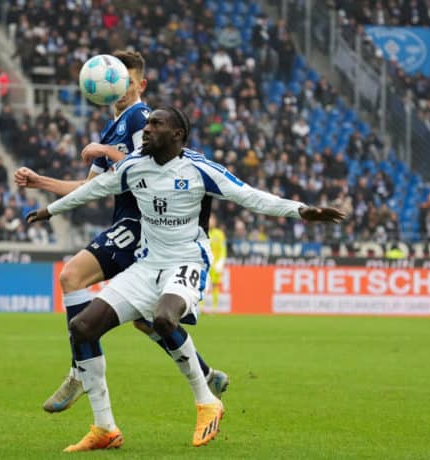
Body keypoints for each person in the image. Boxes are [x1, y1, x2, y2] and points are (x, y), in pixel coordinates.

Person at [25, 107, 347, 451]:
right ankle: (105, 428)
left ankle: (207, 400)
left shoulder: (200, 169)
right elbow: (95, 189)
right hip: (147, 265)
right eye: (146, 124)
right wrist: (49, 210)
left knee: (164, 318)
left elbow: (250, 196)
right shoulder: (134, 166)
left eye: (156, 125)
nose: (146, 130)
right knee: (82, 328)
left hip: (187, 260)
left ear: (177, 134)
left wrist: (300, 210)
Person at [13, 51, 228, 417]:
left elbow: (146, 159)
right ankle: (205, 373)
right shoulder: (114, 127)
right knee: (147, 321)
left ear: (140, 85)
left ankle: (79, 369)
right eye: (113, 82)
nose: (119, 89)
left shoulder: (141, 118)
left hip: (141, 227)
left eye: (126, 83)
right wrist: (40, 183)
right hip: (127, 226)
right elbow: (90, 187)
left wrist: (104, 150)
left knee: (72, 276)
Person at [207, 213, 226, 310]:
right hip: (205, 264)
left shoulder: (219, 234)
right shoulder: (203, 233)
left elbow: (223, 249)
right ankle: (201, 308)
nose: (211, 222)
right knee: (203, 286)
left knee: (215, 286)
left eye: (212, 220)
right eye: (209, 219)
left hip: (215, 265)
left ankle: (214, 308)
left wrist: (221, 262)